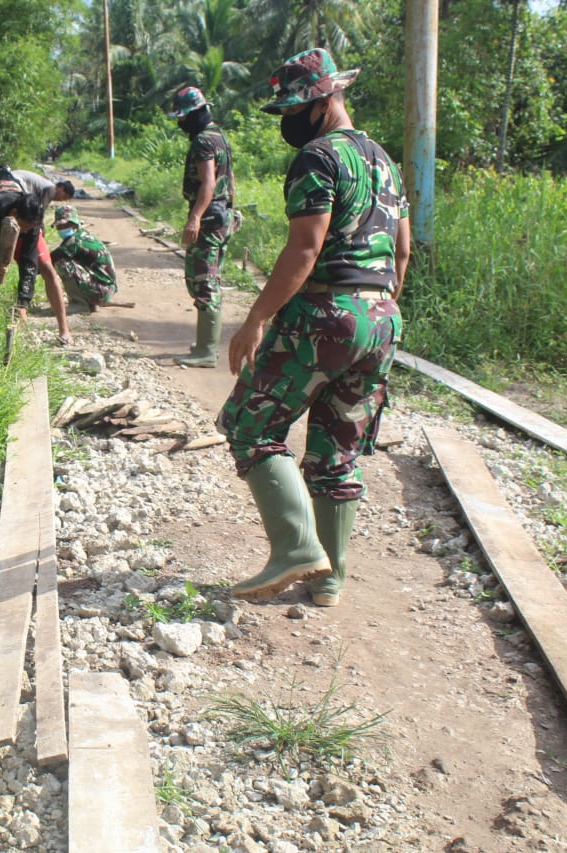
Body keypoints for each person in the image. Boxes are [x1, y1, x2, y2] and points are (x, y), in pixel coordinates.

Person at [216, 48, 410, 607]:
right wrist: (375, 313)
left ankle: (298, 548)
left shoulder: (319, 158)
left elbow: (306, 247)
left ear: (324, 101)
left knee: (250, 425)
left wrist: (257, 318)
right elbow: (402, 251)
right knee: (336, 452)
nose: (287, 122)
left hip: (325, 314)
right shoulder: (383, 161)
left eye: (292, 110)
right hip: (381, 318)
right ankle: (330, 580)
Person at [168, 85, 237, 368]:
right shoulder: (220, 136)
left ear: (196, 113)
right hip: (222, 215)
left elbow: (209, 182)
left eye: (183, 117)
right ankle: (204, 344)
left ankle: (207, 351)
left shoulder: (203, 142)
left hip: (210, 219)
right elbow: (230, 180)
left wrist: (195, 217)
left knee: (203, 281)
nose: (181, 123)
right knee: (208, 279)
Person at [0, 171, 76, 345]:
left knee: (47, 269)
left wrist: (23, 303)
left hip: (25, 237)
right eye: (24, 226)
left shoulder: (31, 227)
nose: (25, 230)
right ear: (15, 213)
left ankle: (64, 330)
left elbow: (29, 265)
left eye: (29, 227)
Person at [49, 204, 117, 311]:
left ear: (74, 225)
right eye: (59, 227)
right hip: (104, 288)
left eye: (66, 226)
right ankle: (89, 302)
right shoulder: (82, 235)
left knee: (62, 264)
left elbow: (50, 260)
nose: (62, 229)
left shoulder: (74, 241)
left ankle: (79, 304)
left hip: (102, 290)